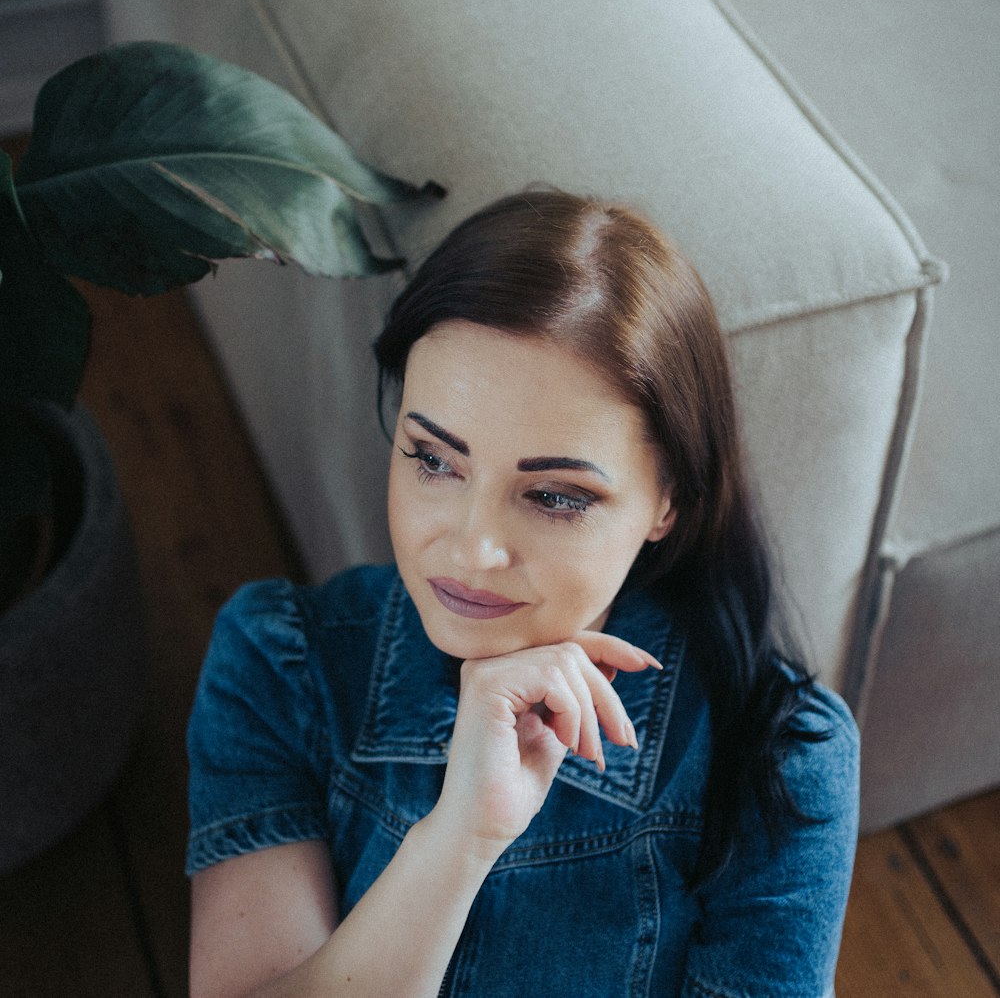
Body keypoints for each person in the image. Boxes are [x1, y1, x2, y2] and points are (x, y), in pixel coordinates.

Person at [186, 188, 860, 998]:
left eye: (556, 496)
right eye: (434, 459)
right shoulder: (278, 660)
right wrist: (461, 838)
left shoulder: (783, 756)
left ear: (669, 500)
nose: (473, 549)